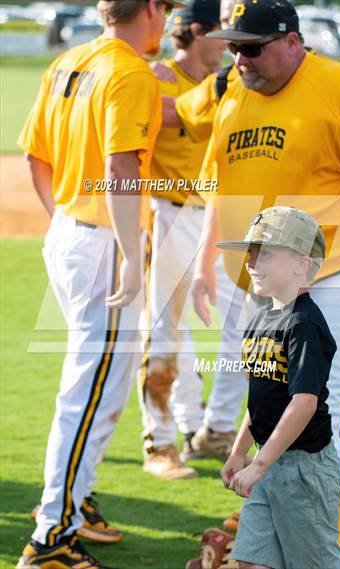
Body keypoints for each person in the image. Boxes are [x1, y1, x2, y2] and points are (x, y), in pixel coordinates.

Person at [191, 0, 340, 563]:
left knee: (325, 430)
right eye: (234, 46)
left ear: (292, 40)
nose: (240, 58)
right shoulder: (236, 96)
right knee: (271, 416)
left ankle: (319, 556)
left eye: (253, 47)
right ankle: (265, 554)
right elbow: (220, 186)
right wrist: (201, 265)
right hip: (265, 291)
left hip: (338, 285)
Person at [16, 0, 179, 566]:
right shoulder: (128, 71)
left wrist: (68, 221)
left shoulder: (69, 60)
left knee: (97, 385)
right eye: (167, 10)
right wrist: (130, 255)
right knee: (89, 392)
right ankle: (50, 537)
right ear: (152, 9)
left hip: (70, 232)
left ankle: (75, 498)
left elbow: (36, 157)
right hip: (104, 242)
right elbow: (121, 169)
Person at [138, 0, 251, 480]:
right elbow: (159, 118)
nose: (232, 44)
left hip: (223, 215)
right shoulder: (156, 78)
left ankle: (217, 429)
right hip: (169, 214)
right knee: (167, 332)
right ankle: (161, 441)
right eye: (224, 32)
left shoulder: (236, 78)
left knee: (242, 327)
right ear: (201, 32)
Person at [218, 205, 340, 569]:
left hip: (304, 469)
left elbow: (303, 404)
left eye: (266, 253)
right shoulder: (260, 318)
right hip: (267, 459)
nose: (253, 262)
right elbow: (260, 401)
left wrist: (258, 465)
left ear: (301, 264)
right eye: (252, 253)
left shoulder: (304, 323)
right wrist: (240, 452)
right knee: (251, 563)